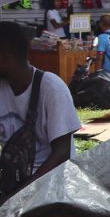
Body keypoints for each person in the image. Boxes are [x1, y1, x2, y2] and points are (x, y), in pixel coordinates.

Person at [0, 21, 80, 200]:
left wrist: (18, 196)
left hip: (54, 190)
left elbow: (62, 153)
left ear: (5, 57)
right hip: (15, 187)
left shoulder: (51, 88)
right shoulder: (3, 88)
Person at [92, 14, 110, 81]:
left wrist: (97, 73)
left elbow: (100, 56)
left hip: (106, 74)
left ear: (100, 24)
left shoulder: (102, 37)